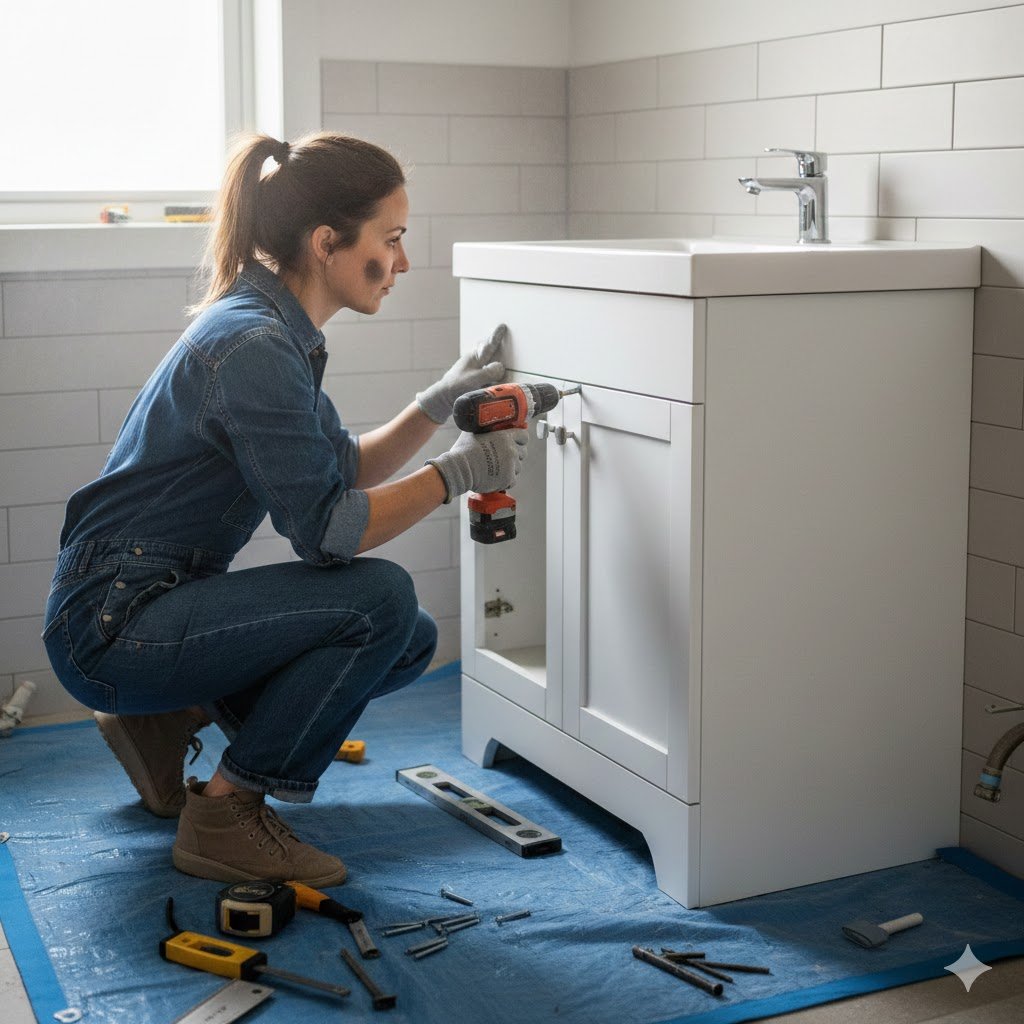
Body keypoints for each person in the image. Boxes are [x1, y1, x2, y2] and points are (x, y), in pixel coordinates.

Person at [41, 131, 528, 888]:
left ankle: (167, 716)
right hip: (113, 625)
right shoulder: (254, 347)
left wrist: (435, 406)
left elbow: (336, 471)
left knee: (407, 639)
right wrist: (458, 472)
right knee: (379, 599)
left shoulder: (269, 326)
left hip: (130, 604)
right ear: (327, 242)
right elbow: (330, 534)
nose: (402, 262)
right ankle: (226, 816)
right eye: (391, 240)